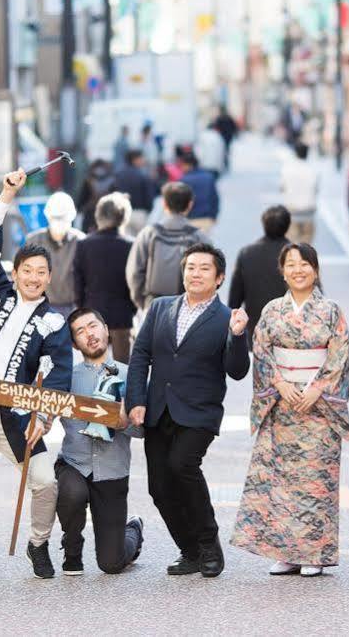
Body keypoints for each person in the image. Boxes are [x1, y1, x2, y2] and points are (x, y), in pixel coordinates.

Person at [0, 169, 74, 581]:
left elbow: (57, 378)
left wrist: (43, 418)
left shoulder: (53, 324)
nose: (34, 278)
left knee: (45, 483)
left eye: (42, 273)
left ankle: (38, 543)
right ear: (15, 270)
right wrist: (6, 195)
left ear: (49, 279)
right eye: (28, 270)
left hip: (18, 414)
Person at [126, 243, 251, 578]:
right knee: (159, 487)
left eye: (204, 268)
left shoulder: (227, 319)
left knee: (182, 465)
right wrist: (136, 400)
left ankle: (210, 545)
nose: (195, 274)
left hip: (199, 412)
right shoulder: (160, 307)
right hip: (157, 409)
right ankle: (190, 550)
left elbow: (237, 370)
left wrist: (238, 336)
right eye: (190, 267)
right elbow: (140, 356)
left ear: (219, 277)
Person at [231, 243, 349, 577]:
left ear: (315, 269)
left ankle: (314, 553)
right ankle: (285, 552)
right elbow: (261, 350)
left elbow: (341, 355)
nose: (298, 270)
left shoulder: (330, 310)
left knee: (316, 481)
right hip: (281, 404)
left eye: (305, 264)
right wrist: (280, 385)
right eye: (291, 265)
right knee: (280, 482)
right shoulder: (271, 310)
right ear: (282, 271)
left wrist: (317, 389)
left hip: (319, 409)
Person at [56, 308, 146, 576]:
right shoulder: (65, 378)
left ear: (106, 329)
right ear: (74, 343)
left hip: (113, 471)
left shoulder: (131, 375)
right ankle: (72, 549)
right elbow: (42, 410)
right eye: (80, 332)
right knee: (71, 493)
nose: (89, 334)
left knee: (111, 564)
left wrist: (123, 423)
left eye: (93, 326)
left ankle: (133, 530)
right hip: (75, 463)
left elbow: (145, 432)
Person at [125, 182, 208, 314]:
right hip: (188, 307)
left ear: (164, 204)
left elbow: (134, 272)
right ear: (190, 204)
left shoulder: (149, 233)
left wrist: (143, 302)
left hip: (153, 304)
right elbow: (209, 276)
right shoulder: (199, 237)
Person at [74, 193, 137, 363]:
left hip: (93, 313)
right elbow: (135, 282)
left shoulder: (84, 244)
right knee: (122, 368)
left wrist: (82, 307)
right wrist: (133, 309)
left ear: (98, 215)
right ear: (123, 217)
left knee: (94, 367)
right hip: (123, 315)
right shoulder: (131, 245)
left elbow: (77, 283)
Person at [228, 205, 291, 340]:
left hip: (255, 328)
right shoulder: (296, 255)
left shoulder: (247, 253)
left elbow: (235, 297)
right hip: (289, 329)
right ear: (288, 225)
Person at [25, 192, 85, 317]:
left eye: (63, 218)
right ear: (48, 217)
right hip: (41, 308)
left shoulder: (81, 241)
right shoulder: (33, 241)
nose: (59, 222)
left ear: (71, 218)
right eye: (55, 218)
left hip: (73, 308)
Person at [109, 149, 157, 236]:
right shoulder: (143, 175)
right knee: (141, 245)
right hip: (139, 213)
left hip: (122, 213)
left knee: (126, 244)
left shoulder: (118, 175)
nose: (143, 161)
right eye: (141, 158)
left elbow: (112, 193)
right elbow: (149, 197)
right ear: (135, 159)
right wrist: (148, 210)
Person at [280, 142, 319, 244]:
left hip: (292, 210)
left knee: (292, 244)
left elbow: (282, 188)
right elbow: (316, 190)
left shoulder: (287, 169)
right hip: (308, 210)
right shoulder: (313, 170)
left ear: (295, 154)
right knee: (307, 245)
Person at [179, 152, 220, 235]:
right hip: (206, 219)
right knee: (202, 245)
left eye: (182, 165)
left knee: (190, 246)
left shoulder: (184, 180)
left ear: (189, 165)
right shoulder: (209, 177)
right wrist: (214, 216)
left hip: (189, 219)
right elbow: (215, 198)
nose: (181, 168)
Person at [74, 158, 114, 234]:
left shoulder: (88, 180)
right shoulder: (112, 181)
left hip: (90, 214)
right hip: (107, 214)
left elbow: (81, 199)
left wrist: (79, 210)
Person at [212, 107, 239, 171]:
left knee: (222, 151)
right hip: (227, 137)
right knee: (226, 151)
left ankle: (223, 163)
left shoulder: (220, 118)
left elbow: (216, 127)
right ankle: (225, 163)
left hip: (223, 137)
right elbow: (234, 127)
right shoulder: (228, 118)